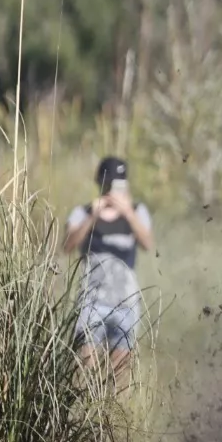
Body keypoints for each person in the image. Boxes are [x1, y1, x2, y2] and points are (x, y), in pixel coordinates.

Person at [63, 156, 154, 388]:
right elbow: (68, 245)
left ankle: (113, 421)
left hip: (126, 304)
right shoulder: (83, 212)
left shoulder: (136, 211)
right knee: (84, 374)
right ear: (101, 185)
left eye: (119, 184)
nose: (114, 190)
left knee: (120, 378)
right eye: (110, 184)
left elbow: (147, 242)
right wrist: (94, 216)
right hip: (91, 303)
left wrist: (127, 212)